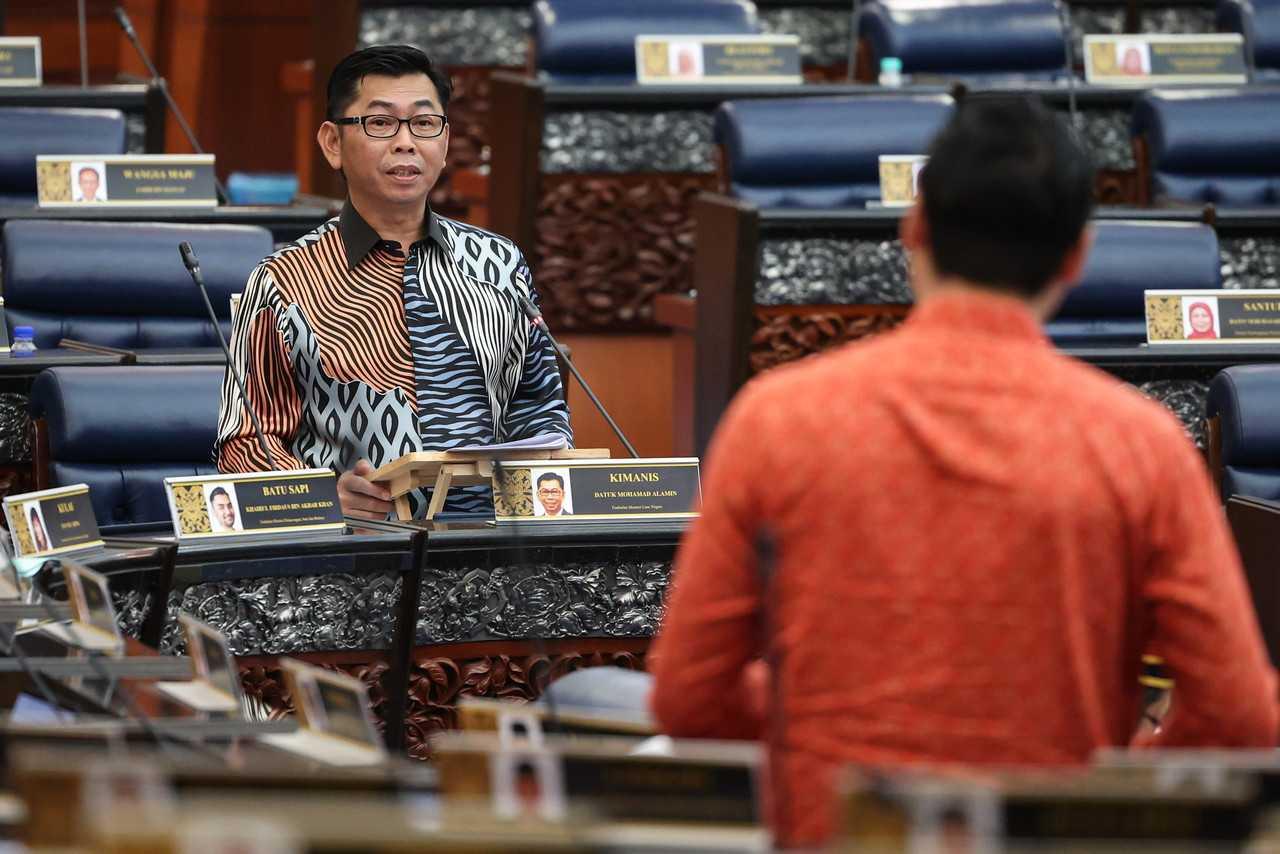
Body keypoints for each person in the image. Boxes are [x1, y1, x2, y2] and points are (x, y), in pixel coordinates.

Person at [648, 96, 1279, 847]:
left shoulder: (776, 419)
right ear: (1076, 257)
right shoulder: (1142, 446)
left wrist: (816, 721)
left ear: (914, 227)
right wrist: (1113, 779)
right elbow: (1241, 716)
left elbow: (687, 696)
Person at [214, 45, 571, 518]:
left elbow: (539, 406)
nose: (406, 142)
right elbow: (244, 442)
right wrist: (324, 498)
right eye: (381, 123)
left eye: (424, 123)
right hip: (359, 549)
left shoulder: (499, 263)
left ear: (445, 141)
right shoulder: (283, 279)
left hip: (492, 540)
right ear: (333, 143)